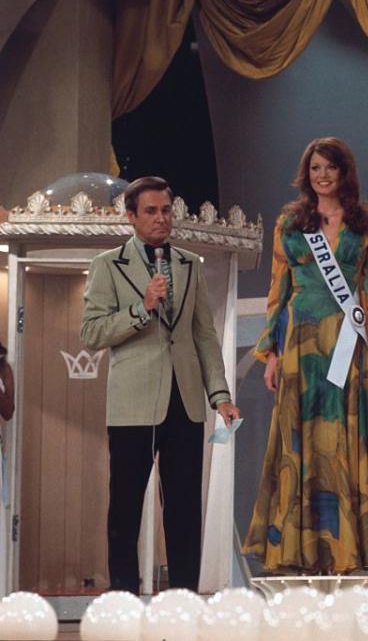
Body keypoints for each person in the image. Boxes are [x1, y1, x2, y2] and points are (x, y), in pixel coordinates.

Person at [80, 176, 240, 593]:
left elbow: (204, 335)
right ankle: (123, 598)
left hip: (184, 401)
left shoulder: (190, 265)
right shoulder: (107, 265)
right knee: (126, 510)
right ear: (131, 216)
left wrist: (220, 396)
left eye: (166, 210)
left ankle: (184, 599)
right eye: (150, 211)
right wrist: (141, 307)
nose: (161, 219)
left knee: (184, 509)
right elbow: (93, 332)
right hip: (132, 405)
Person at [243, 138, 368, 574]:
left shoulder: (367, 222)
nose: (323, 175)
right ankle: (300, 548)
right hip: (302, 343)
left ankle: (344, 548)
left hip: (348, 341)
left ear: (345, 172)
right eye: (315, 169)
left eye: (330, 168)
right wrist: (270, 352)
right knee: (302, 439)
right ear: (306, 174)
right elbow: (279, 290)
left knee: (341, 437)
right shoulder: (291, 222)